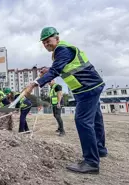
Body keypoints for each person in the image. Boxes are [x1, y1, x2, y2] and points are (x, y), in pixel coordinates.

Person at [26, 27, 107, 174]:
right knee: (96, 119)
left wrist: (36, 83)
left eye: (48, 41)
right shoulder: (62, 52)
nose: (46, 44)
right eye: (43, 43)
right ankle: (100, 150)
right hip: (91, 86)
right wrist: (49, 69)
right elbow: (61, 67)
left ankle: (91, 162)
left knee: (83, 121)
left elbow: (56, 71)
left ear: (57, 38)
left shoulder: (62, 50)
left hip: (87, 89)